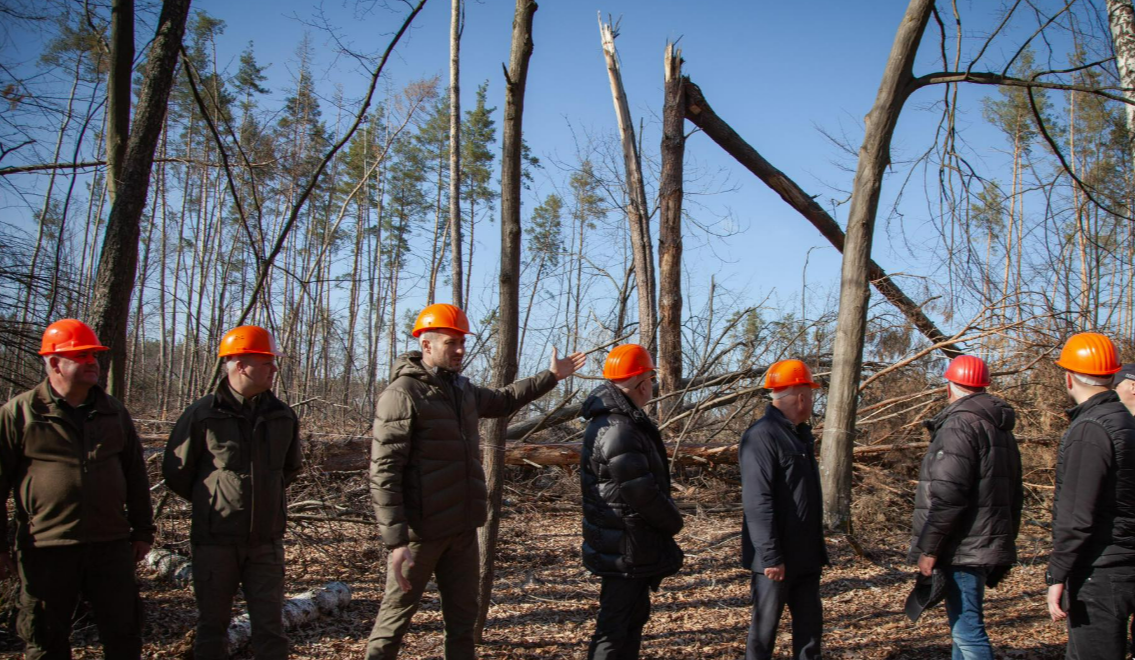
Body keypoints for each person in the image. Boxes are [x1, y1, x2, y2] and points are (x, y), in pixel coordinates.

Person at [366, 303, 585, 660]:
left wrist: (551, 376)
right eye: (451, 342)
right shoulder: (402, 394)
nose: (459, 350)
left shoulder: (462, 390)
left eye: (462, 343)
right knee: (394, 622)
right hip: (420, 534)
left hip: (463, 530)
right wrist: (395, 540)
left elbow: (503, 400)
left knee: (462, 624)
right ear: (426, 345)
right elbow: (384, 471)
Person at [0, 319, 155, 660]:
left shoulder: (114, 412)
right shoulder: (20, 414)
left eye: (94, 356)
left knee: (124, 633)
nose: (92, 363)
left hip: (111, 546)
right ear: (54, 362)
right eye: (81, 356)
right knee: (45, 640)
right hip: (46, 547)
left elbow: (135, 475)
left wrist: (143, 530)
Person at [163, 325, 302, 660]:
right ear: (240, 365)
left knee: (271, 629)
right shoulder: (202, 414)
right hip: (215, 542)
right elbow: (176, 472)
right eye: (266, 361)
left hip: (266, 542)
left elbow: (289, 469)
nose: (274, 368)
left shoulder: (282, 415)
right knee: (212, 627)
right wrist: (214, 502)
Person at [908, 355, 1022, 660]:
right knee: (962, 631)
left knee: (969, 633)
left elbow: (948, 495)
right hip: (984, 542)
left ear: (949, 385)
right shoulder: (999, 428)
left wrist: (929, 548)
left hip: (962, 546)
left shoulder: (959, 424)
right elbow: (1015, 493)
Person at [579, 344, 683, 660]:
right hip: (624, 546)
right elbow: (642, 493)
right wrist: (674, 521)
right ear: (641, 383)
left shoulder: (623, 420)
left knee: (631, 622)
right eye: (650, 379)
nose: (652, 386)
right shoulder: (618, 428)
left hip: (629, 544)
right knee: (613, 630)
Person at [1045, 332, 1135, 659]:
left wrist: (1057, 575)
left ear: (1068, 377)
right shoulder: (1126, 420)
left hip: (1100, 571)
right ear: (1113, 375)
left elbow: (1076, 517)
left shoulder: (1090, 428)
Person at [740, 359, 827, 660]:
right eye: (811, 394)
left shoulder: (800, 435)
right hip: (774, 561)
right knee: (763, 637)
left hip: (805, 557)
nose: (812, 401)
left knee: (810, 636)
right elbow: (757, 501)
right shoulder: (762, 436)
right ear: (801, 397)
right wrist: (771, 555)